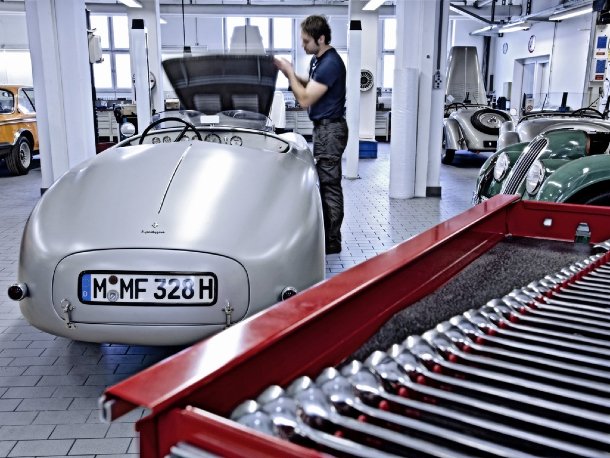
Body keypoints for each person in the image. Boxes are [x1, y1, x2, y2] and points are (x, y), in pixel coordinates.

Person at [275, 15, 348, 255]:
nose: (303, 45)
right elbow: (312, 84)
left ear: (321, 38)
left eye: (306, 41)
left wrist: (289, 72)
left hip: (330, 130)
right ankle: (328, 235)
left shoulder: (331, 63)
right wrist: (291, 74)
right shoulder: (319, 60)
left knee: (329, 186)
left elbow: (305, 99)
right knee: (325, 184)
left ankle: (332, 240)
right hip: (324, 129)